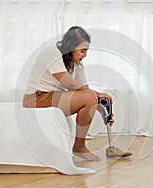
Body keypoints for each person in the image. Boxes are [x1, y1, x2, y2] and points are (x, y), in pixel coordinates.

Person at [22, 26, 114, 161]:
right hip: (36, 98)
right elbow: (69, 84)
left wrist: (101, 109)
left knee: (90, 97)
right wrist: (97, 95)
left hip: (53, 98)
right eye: (82, 51)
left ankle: (79, 147)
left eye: (87, 51)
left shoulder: (78, 65)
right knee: (90, 96)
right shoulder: (51, 52)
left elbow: (85, 90)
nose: (85, 55)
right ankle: (79, 147)